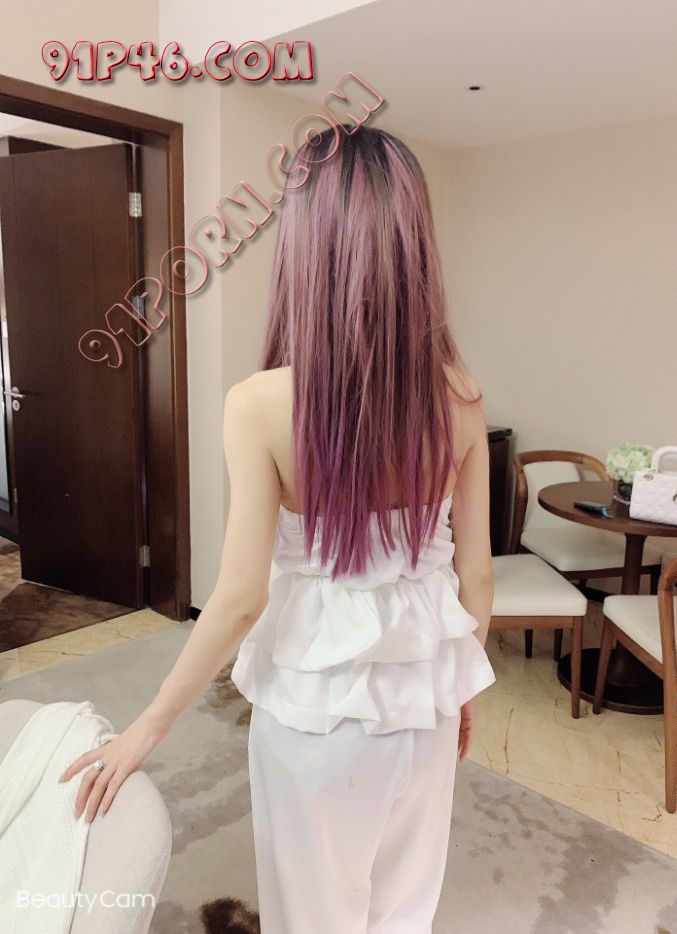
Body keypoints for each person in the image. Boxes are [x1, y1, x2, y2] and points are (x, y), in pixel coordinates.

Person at [60, 124, 497, 933]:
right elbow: (475, 577)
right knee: (404, 909)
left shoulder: (260, 405)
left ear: (305, 245)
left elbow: (238, 599)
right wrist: (460, 682)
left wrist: (149, 725)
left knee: (314, 914)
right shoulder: (461, 397)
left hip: (315, 718)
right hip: (427, 711)